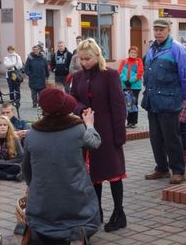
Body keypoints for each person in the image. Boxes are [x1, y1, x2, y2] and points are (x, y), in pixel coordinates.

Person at [23, 88, 101, 243]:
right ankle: (76, 233)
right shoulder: (78, 129)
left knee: (41, 210)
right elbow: (95, 143)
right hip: (76, 202)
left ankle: (44, 234)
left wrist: (33, 186)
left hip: (42, 204)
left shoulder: (32, 134)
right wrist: (90, 125)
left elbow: (26, 169)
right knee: (82, 203)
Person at [70, 38, 128, 232]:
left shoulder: (109, 75)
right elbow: (73, 100)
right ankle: (96, 212)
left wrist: (120, 135)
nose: (84, 62)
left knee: (113, 173)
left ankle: (119, 213)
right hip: (87, 130)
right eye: (81, 59)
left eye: (88, 58)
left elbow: (119, 106)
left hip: (108, 130)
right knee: (93, 174)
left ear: (97, 56)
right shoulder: (77, 77)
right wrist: (82, 109)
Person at [142, 18, 186, 184]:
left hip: (170, 101)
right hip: (152, 100)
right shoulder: (151, 48)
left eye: (161, 29)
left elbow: (185, 75)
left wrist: (184, 99)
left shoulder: (177, 49)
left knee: (171, 138)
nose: (158, 32)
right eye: (155, 29)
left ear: (169, 30)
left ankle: (178, 171)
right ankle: (161, 168)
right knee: (155, 137)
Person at [118, 46, 144, 128]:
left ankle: (133, 122)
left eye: (135, 53)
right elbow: (120, 71)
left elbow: (139, 73)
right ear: (129, 53)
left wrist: (131, 81)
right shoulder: (124, 61)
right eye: (132, 52)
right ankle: (128, 122)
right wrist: (125, 80)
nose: (133, 54)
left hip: (135, 86)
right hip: (125, 85)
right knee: (127, 103)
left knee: (134, 103)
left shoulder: (139, 61)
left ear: (137, 54)